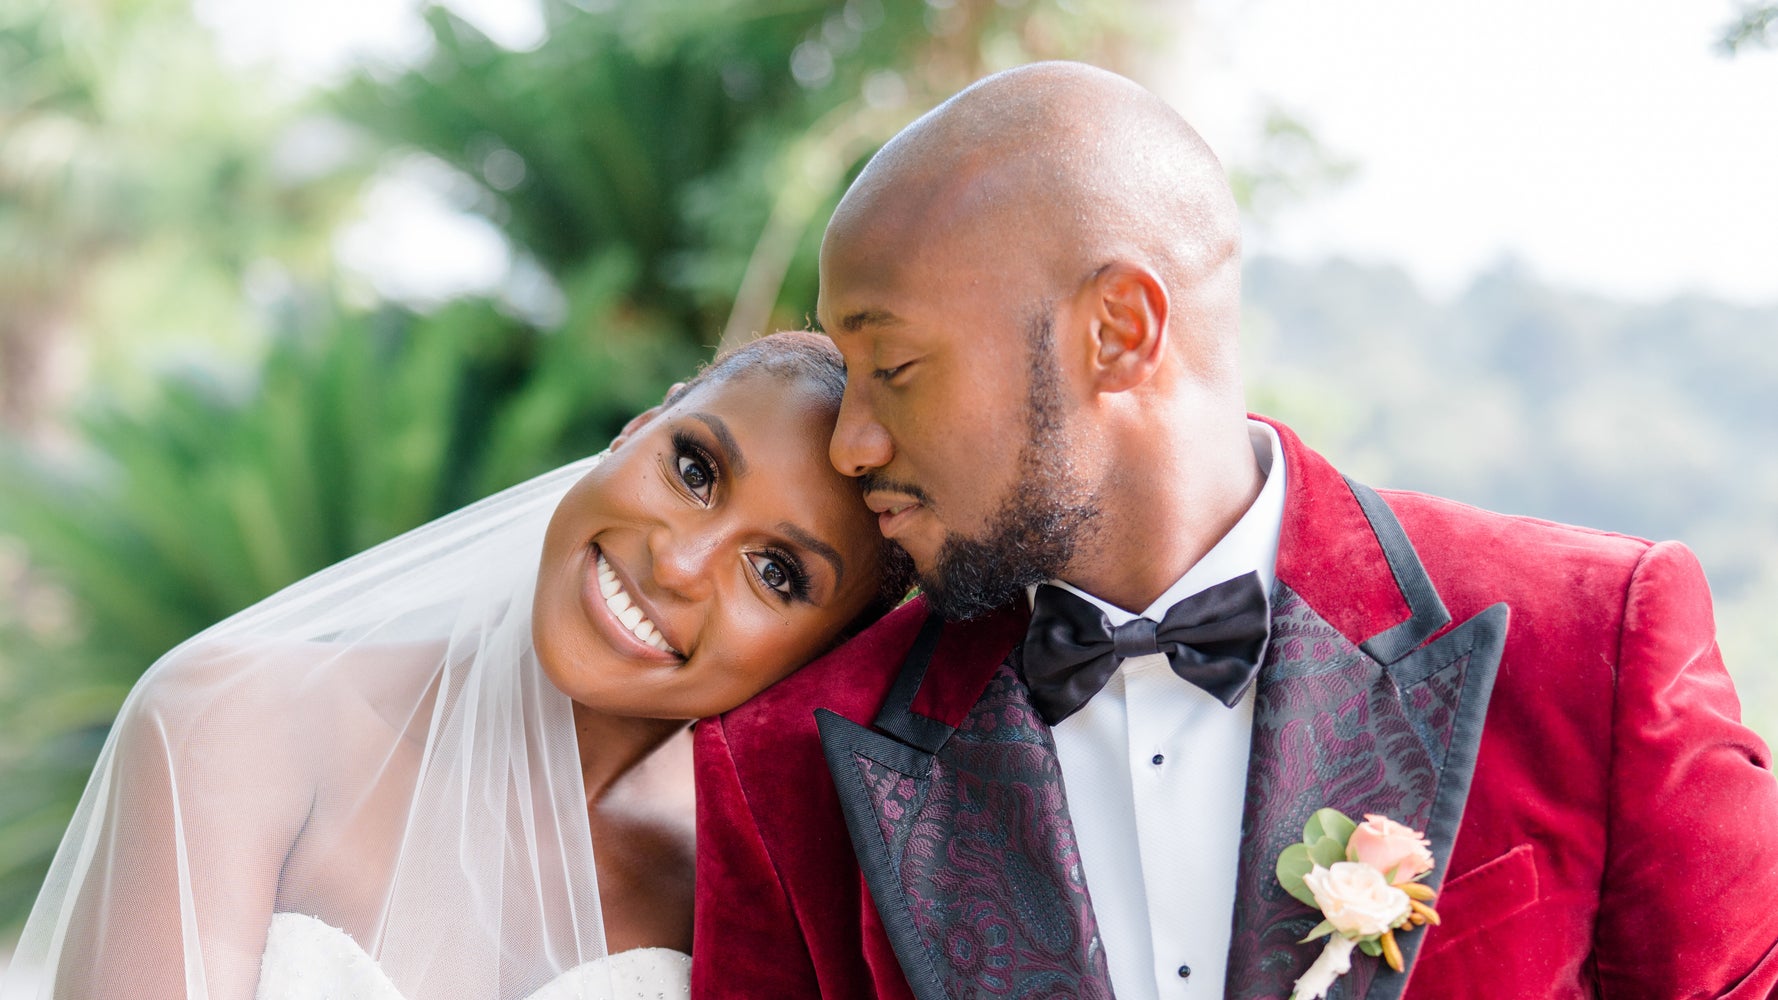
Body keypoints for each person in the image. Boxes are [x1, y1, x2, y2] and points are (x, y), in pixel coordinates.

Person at [690, 62, 1778, 999]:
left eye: (893, 366)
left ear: (1118, 330)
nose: (852, 443)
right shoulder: (785, 765)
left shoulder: (1588, 643)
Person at [0, 331, 913, 1000]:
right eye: (694, 468)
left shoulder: (752, 902)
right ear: (640, 426)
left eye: (777, 574)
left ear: (822, 656)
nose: (678, 564)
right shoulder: (229, 726)